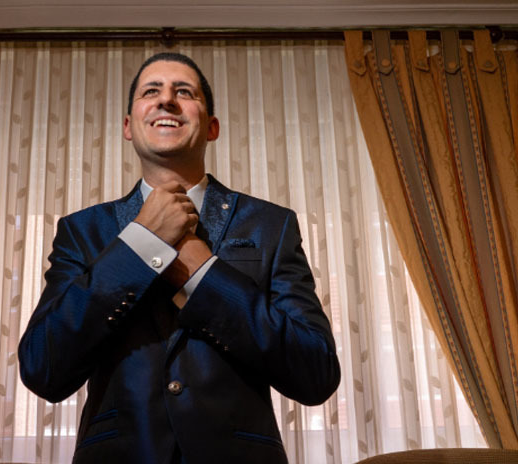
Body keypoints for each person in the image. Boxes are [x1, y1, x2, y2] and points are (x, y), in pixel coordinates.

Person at [18, 52, 340, 464]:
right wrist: (140, 246)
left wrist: (202, 272)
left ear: (212, 127)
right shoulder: (82, 231)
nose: (166, 100)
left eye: (184, 92)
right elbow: (42, 368)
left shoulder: (271, 225)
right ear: (129, 126)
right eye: (151, 91)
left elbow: (316, 373)